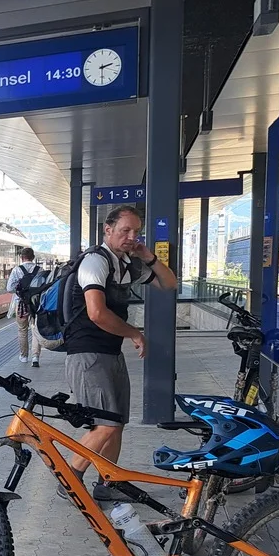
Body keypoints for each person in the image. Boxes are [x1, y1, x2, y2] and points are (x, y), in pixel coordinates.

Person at [57, 205, 177, 502]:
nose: (132, 236)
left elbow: (170, 283)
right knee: (106, 424)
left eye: (137, 231)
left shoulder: (127, 263)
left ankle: (107, 483)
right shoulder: (95, 262)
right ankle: (68, 478)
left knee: (116, 423)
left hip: (109, 351)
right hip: (86, 352)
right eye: (125, 230)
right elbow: (96, 313)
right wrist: (135, 333)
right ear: (107, 230)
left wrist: (147, 256)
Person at [6, 247, 42, 368]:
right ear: (33, 257)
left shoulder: (17, 270)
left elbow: (9, 288)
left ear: (21, 257)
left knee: (22, 330)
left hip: (21, 305)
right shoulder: (39, 270)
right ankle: (35, 357)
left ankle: (24, 356)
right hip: (36, 304)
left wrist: (20, 290)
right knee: (36, 330)